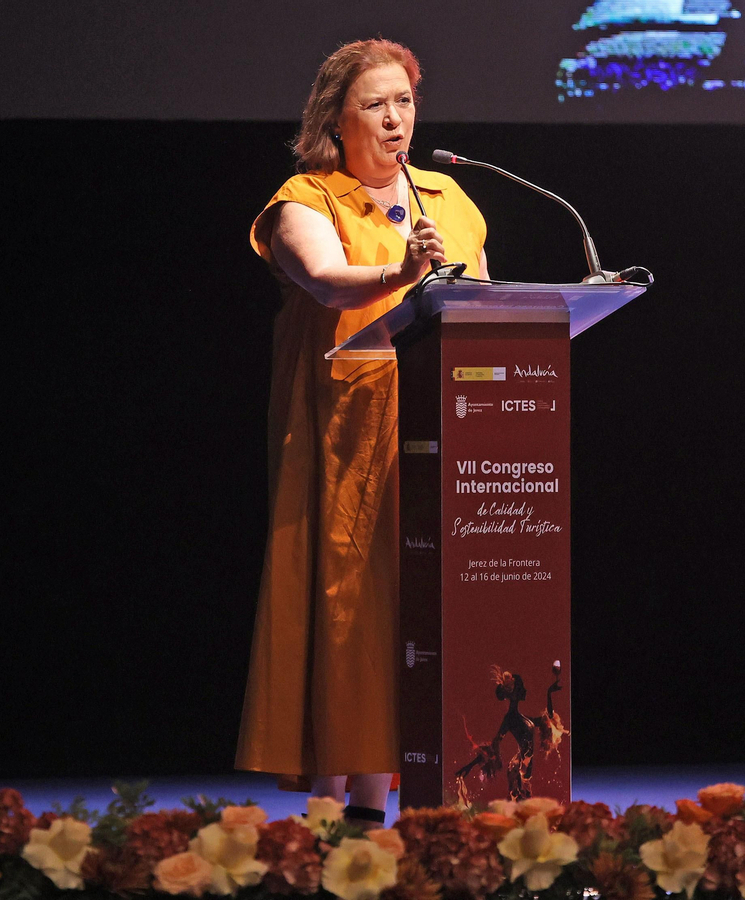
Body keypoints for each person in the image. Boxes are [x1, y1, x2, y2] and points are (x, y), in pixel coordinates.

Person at [235, 38, 488, 828]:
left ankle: (375, 804)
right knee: (350, 603)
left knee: (413, 611)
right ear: (335, 121)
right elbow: (321, 279)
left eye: (405, 101)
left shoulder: (449, 197)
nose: (395, 118)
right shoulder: (307, 197)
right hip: (343, 432)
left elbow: (480, 303)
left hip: (435, 430)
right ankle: (331, 805)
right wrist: (401, 275)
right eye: (375, 104)